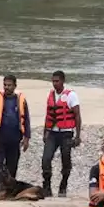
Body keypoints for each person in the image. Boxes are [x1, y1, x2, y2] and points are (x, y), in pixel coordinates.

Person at [0, 75, 30, 198]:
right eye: (5, 85)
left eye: (9, 85)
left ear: (15, 86)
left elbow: (26, 119)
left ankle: (8, 190)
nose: (7, 87)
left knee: (12, 165)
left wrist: (27, 138)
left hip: (15, 139)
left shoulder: (20, 100)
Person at [40, 70, 82, 198]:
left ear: (63, 81)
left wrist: (78, 136)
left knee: (66, 160)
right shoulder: (51, 95)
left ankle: (63, 185)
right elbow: (48, 115)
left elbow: (77, 115)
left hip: (66, 133)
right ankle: (47, 186)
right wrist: (45, 132)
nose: (54, 83)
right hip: (52, 133)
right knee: (46, 159)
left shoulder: (71, 95)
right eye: (53, 81)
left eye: (57, 81)